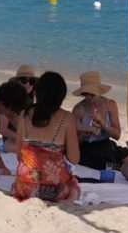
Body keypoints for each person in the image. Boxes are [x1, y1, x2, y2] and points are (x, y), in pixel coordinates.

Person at [12, 71, 80, 203]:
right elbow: (74, 158)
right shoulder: (66, 118)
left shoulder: (24, 114)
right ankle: (68, 200)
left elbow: (19, 156)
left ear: (38, 92)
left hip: (24, 187)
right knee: (74, 186)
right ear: (61, 95)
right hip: (54, 188)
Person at [71, 71, 128, 170]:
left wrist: (102, 123)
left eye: (92, 94)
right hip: (87, 147)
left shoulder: (110, 105)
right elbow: (73, 142)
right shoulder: (79, 109)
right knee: (104, 165)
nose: (88, 98)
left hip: (106, 145)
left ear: (98, 92)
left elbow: (117, 135)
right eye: (85, 94)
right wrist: (85, 135)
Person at [0, 65, 37, 155]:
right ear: (17, 82)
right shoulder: (8, 99)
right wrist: (24, 139)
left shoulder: (30, 101)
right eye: (24, 80)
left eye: (31, 81)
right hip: (11, 140)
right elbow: (3, 130)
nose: (28, 84)